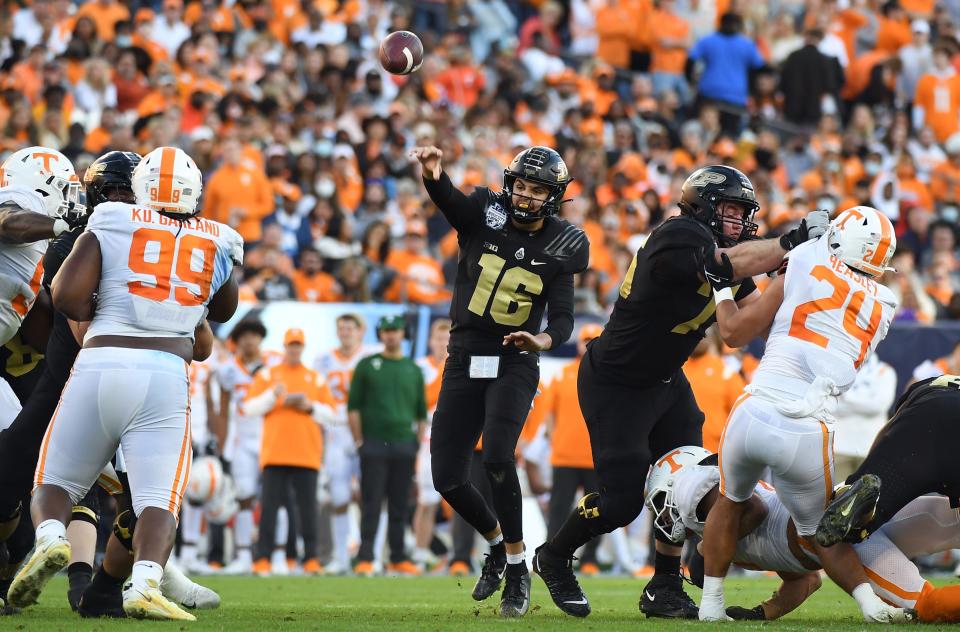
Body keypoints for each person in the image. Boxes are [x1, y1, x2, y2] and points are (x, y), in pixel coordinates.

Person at [532, 165, 828, 619]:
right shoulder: (680, 235)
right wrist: (790, 243)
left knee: (688, 482)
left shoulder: (723, 250)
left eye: (742, 212)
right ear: (704, 205)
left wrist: (792, 276)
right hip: (617, 382)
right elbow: (727, 265)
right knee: (622, 501)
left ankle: (664, 586)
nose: (738, 221)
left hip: (667, 382)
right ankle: (554, 555)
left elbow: (745, 325)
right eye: (730, 209)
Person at [9, 146, 242, 621]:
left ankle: (52, 538)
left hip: (99, 362)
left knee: (53, 480)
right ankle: (148, 581)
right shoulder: (220, 238)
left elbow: (70, 298)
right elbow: (221, 313)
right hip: (165, 374)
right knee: (158, 497)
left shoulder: (111, 220)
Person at [411, 144, 589, 619]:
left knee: (495, 455)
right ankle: (496, 544)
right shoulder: (485, 212)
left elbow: (565, 316)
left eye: (537, 189)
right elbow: (450, 200)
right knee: (447, 477)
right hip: (465, 353)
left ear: (554, 196)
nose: (526, 196)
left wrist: (544, 340)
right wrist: (434, 174)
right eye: (522, 186)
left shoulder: (564, 243)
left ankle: (516, 566)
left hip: (515, 357)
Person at [700, 206, 902, 622]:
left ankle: (710, 606)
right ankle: (870, 605)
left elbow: (735, 331)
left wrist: (723, 290)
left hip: (756, 406)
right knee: (821, 533)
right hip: (808, 428)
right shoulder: (886, 303)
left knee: (730, 501)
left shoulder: (808, 255)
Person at [0, 150, 136, 610]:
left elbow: (47, 319)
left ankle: (29, 567)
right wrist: (62, 225)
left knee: (25, 458)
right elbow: (8, 221)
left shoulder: (69, 242)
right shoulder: (45, 225)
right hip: (66, 374)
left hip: (57, 375)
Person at [644, 448, 958, 623]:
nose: (662, 514)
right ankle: (852, 503)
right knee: (952, 521)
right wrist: (762, 613)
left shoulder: (701, 497)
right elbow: (805, 579)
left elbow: (753, 510)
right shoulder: (722, 526)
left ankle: (848, 509)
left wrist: (706, 551)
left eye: (660, 502)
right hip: (835, 528)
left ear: (677, 484)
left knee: (928, 606)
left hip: (837, 540)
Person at [816, 374, 960, 550]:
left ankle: (864, 505)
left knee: (859, 524)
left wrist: (871, 469)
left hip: (925, 413)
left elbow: (889, 429)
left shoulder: (941, 379)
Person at [244, 327, 338, 576]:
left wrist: (310, 407)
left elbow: (332, 414)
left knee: (308, 509)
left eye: (298, 345)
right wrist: (272, 397)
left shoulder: (314, 377)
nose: (294, 349)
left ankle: (311, 558)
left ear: (302, 348)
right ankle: (262, 558)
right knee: (270, 508)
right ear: (285, 347)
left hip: (307, 453)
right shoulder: (269, 375)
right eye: (290, 345)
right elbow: (250, 407)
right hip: (275, 452)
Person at [348, 315, 425, 576]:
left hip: (404, 444)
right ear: (380, 335)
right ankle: (365, 557)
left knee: (400, 505)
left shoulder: (413, 369)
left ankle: (397, 557)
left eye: (396, 331)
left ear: (403, 334)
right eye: (387, 331)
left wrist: (416, 444)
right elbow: (353, 407)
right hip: (374, 444)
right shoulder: (367, 366)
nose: (392, 335)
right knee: (371, 502)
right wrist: (360, 440)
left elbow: (421, 413)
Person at [216, 318, 280, 574]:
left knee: (277, 498)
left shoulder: (276, 362)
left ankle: (277, 555)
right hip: (243, 437)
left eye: (254, 335)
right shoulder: (227, 369)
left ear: (261, 338)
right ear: (237, 340)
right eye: (244, 336)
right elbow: (223, 409)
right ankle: (243, 556)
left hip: (271, 435)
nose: (249, 340)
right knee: (244, 495)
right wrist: (223, 444)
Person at [538, 323, 603, 575]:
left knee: (596, 512)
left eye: (592, 340)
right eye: (584, 340)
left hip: (595, 456)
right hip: (564, 454)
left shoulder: (609, 375)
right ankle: (550, 555)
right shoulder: (564, 372)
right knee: (558, 508)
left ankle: (590, 559)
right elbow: (549, 413)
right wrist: (555, 438)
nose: (587, 345)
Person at [313, 313, 374, 575]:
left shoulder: (371, 358)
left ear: (360, 332)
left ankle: (368, 556)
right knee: (338, 496)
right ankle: (339, 556)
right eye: (342, 328)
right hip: (336, 429)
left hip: (365, 428)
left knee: (370, 495)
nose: (346, 332)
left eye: (351, 327)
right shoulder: (324, 360)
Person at [412, 318, 451, 570]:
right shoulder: (420, 368)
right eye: (439, 338)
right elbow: (418, 404)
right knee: (426, 500)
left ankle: (460, 553)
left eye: (447, 339)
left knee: (458, 500)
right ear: (430, 341)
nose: (443, 344)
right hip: (426, 439)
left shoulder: (458, 365)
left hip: (453, 438)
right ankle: (420, 551)